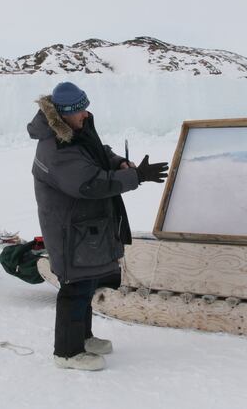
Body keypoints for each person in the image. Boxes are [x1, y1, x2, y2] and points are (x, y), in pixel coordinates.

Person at [27, 82, 168, 371]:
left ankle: (83, 338)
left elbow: (97, 152)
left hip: (85, 225)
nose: (86, 114)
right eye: (79, 110)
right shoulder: (55, 149)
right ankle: (67, 352)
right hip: (68, 230)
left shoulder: (74, 131)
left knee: (87, 283)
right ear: (64, 113)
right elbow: (90, 184)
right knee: (75, 288)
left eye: (86, 107)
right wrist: (136, 177)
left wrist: (119, 163)